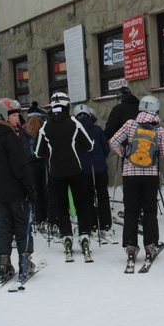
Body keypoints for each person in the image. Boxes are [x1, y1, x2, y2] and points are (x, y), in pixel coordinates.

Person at [109, 94, 164, 266]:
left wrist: (125, 154)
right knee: (150, 210)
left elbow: (113, 141)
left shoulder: (129, 125)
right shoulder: (159, 130)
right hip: (150, 175)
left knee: (131, 210)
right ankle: (150, 245)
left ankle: (130, 246)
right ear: (156, 109)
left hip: (130, 174)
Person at [35, 92, 94, 260]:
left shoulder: (45, 127)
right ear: (68, 106)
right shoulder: (74, 123)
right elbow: (89, 145)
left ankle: (66, 235)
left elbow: (38, 153)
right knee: (80, 203)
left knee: (62, 206)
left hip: (56, 172)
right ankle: (84, 234)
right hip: (76, 170)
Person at [0, 98, 36, 282]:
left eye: (17, 115)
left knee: (5, 226)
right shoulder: (10, 137)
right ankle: (24, 261)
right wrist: (30, 188)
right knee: (22, 225)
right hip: (15, 190)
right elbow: (19, 166)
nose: (17, 119)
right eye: (13, 115)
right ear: (3, 116)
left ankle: (3, 264)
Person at [73, 104, 114, 244]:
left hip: (84, 170)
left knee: (87, 198)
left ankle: (92, 225)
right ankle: (106, 225)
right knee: (103, 197)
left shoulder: (75, 132)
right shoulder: (97, 129)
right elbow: (106, 149)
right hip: (100, 168)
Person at [23, 102, 51, 229]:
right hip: (43, 161)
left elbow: (22, 148)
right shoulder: (43, 128)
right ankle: (49, 216)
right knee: (46, 189)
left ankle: (38, 217)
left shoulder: (24, 130)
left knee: (36, 191)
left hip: (30, 163)